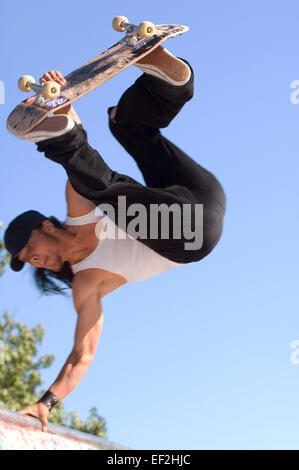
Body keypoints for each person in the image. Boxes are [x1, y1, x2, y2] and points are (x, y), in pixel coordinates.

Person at [4, 47, 226, 431]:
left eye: (29, 247)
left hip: (197, 194)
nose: (32, 258)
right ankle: (58, 140)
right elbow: (82, 354)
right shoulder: (87, 283)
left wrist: (59, 97)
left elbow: (81, 144)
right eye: (26, 259)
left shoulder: (77, 202)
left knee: (124, 127)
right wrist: (46, 403)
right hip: (192, 235)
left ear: (46, 226)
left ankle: (169, 80)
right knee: (103, 187)